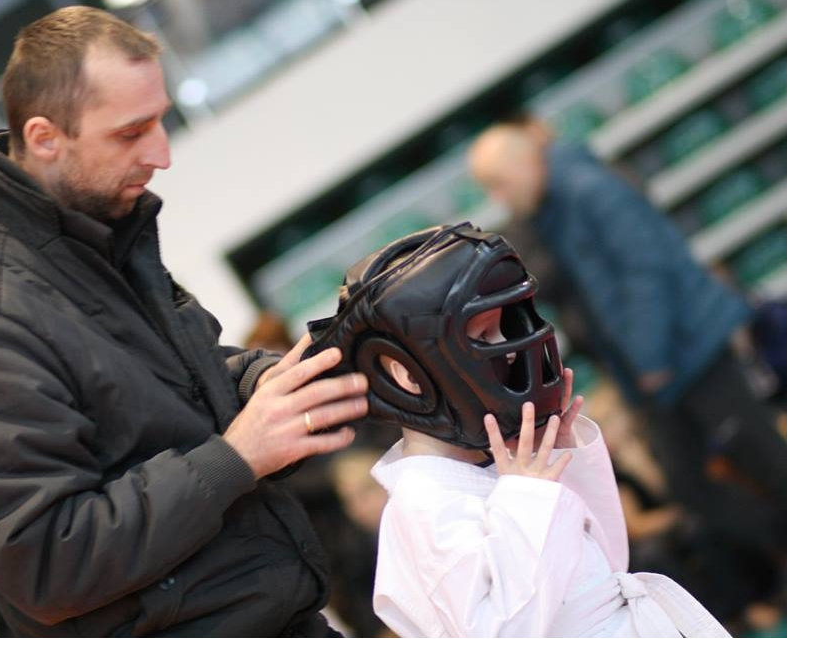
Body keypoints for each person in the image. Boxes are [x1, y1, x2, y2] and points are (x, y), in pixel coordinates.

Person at [0, 5, 369, 637]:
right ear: (44, 139)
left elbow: (186, 384)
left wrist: (308, 371)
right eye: (131, 132)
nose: (162, 154)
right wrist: (237, 457)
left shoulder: (99, 237)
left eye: (162, 121)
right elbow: (45, 562)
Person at [303, 223, 729, 637]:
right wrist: (527, 496)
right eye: (486, 334)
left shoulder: (495, 464)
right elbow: (505, 636)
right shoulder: (422, 506)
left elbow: (609, 564)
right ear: (407, 374)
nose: (510, 349)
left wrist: (562, 459)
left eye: (506, 326)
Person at [467, 121, 786, 558]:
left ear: (525, 162)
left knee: (764, 461)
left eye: (499, 185)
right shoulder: (552, 207)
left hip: (686, 351)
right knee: (694, 483)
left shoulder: (587, 188)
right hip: (655, 365)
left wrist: (649, 359)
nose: (499, 199)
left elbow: (647, 270)